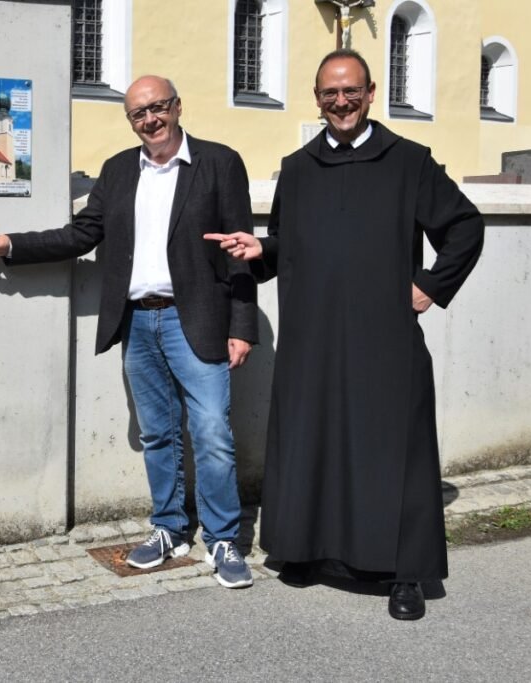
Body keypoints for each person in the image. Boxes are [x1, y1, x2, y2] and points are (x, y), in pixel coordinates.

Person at [206, 49, 485, 620]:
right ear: (317, 99)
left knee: (394, 450)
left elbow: (464, 226)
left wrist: (429, 285)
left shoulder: (409, 162)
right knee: (315, 438)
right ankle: (307, 550)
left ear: (370, 91)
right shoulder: (299, 166)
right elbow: (287, 242)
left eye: (350, 91)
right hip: (314, 334)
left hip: (385, 337)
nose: (340, 102)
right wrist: (263, 249)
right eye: (329, 93)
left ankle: (405, 574)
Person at [0, 75, 257, 588]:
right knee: (158, 434)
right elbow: (83, 233)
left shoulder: (220, 162)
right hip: (138, 321)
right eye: (139, 113)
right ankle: (169, 529)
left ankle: (224, 538)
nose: (150, 120)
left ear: (178, 106)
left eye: (158, 107)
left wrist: (243, 326)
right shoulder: (119, 170)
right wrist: (12, 243)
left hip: (200, 320)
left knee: (212, 433)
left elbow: (240, 248)